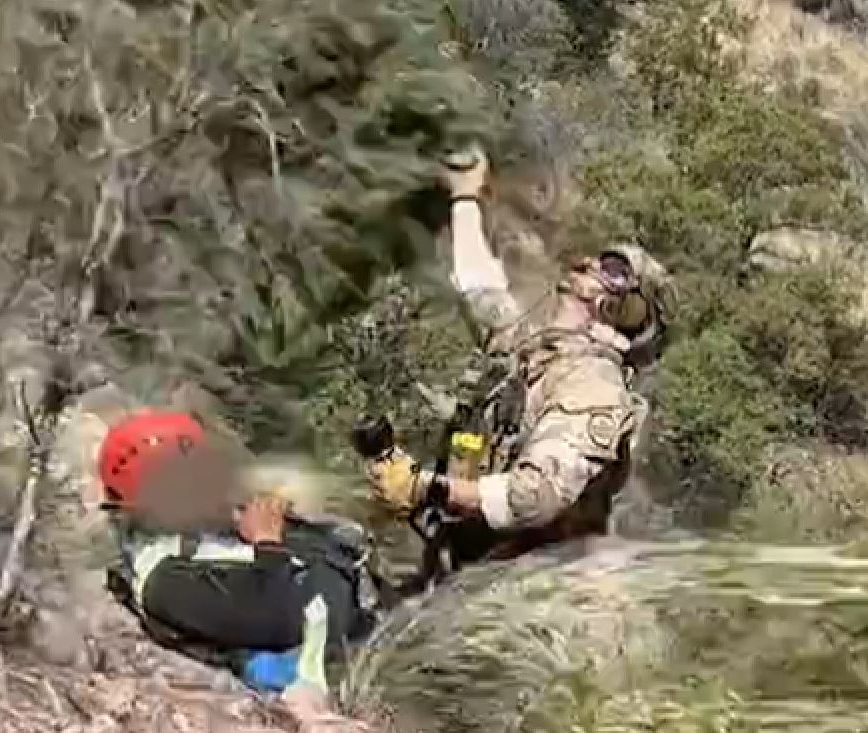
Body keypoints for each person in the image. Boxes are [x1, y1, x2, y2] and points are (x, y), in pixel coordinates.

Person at [362, 143, 679, 564]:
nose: (588, 265)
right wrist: (464, 196)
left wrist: (426, 487)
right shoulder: (535, 352)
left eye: (615, 272)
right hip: (479, 569)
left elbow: (537, 496)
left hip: (539, 596)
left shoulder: (592, 385)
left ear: (626, 311)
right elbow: (480, 289)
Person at [98, 408, 382, 703]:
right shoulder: (167, 584)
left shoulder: (188, 529)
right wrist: (267, 542)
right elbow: (276, 615)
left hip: (352, 596)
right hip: (343, 644)